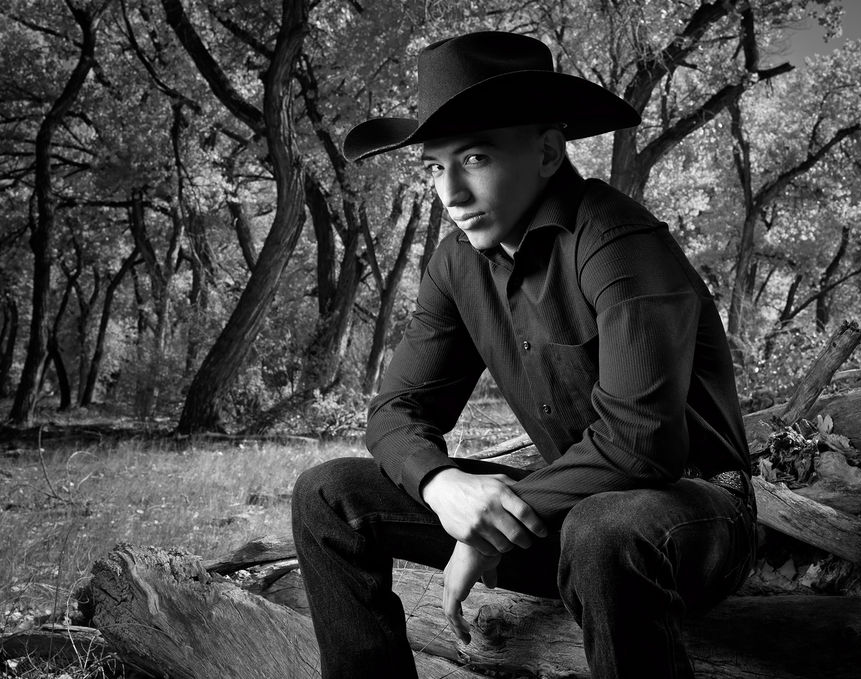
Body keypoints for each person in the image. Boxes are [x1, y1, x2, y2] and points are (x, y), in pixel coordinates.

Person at [292, 30, 756, 679]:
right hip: (562, 517)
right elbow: (394, 411)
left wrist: (493, 524)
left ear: (546, 151)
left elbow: (643, 441)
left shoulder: (617, 240)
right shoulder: (456, 263)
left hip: (690, 520)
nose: (451, 192)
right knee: (327, 494)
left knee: (604, 528)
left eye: (474, 157)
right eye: (434, 167)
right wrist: (442, 486)